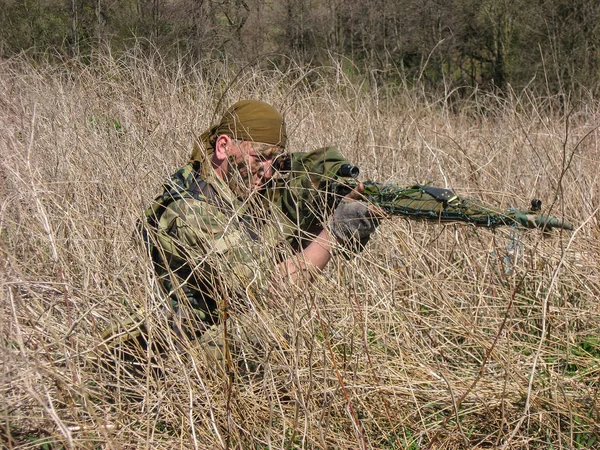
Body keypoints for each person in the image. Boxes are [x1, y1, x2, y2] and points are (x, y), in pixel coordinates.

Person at [139, 100, 379, 375]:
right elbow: (269, 293)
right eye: (259, 158)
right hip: (176, 358)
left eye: (274, 161)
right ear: (223, 146)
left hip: (210, 334)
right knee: (278, 326)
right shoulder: (191, 211)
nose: (267, 172)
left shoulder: (234, 191)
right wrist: (334, 235)